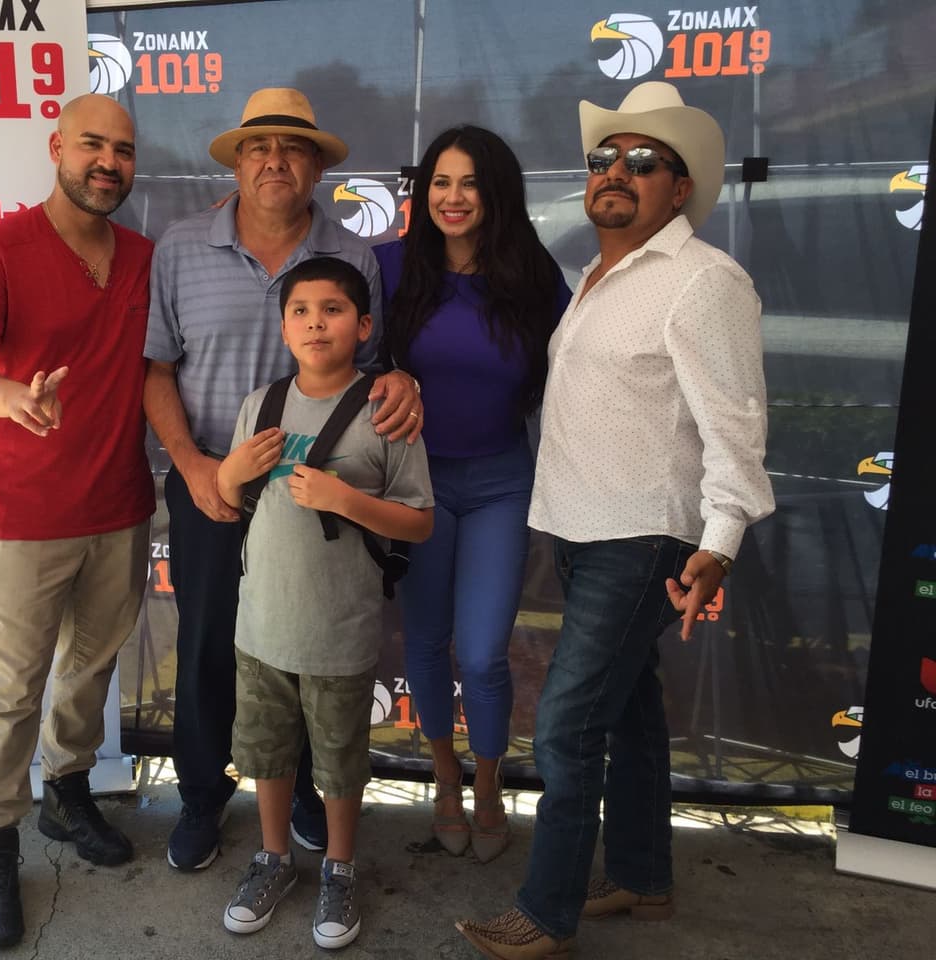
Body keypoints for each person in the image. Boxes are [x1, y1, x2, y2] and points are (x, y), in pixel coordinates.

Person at [455, 81, 775, 959]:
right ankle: (642, 876)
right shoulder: (593, 276)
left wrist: (718, 544)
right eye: (606, 158)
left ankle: (546, 912)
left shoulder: (704, 281)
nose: (617, 173)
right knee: (629, 712)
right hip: (582, 529)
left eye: (645, 162)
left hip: (644, 537)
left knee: (565, 726)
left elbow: (735, 428)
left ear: (681, 188)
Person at [144, 86, 423, 873]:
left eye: (293, 147)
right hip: (212, 483)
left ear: (317, 166)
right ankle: (202, 800)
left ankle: (303, 794)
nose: (275, 160)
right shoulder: (180, 248)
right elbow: (155, 369)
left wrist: (406, 381)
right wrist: (195, 466)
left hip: (320, 495)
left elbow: (374, 368)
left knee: (305, 652)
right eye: (258, 147)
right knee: (205, 649)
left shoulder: (353, 253)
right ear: (237, 161)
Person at [0, 94, 154, 950]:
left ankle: (67, 794)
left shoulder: (142, 256)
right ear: (57, 146)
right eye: (93, 145)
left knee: (90, 668)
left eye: (125, 151)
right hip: (21, 513)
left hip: (119, 505)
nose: (109, 162)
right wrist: (9, 399)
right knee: (12, 687)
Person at [216, 257, 434, 949]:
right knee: (267, 754)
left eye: (333, 309)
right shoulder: (261, 403)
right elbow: (227, 496)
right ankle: (272, 857)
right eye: (301, 311)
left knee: (340, 760)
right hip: (261, 627)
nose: (316, 322)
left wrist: (346, 500)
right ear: (283, 328)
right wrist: (230, 472)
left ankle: (340, 867)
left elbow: (420, 520)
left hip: (339, 630)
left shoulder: (385, 409)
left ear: (364, 325)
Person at [373, 127, 570, 863]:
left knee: (485, 652)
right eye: (441, 183)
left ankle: (489, 785)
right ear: (422, 193)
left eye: (470, 184)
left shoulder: (532, 275)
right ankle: (445, 777)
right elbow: (348, 362)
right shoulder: (389, 267)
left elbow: (576, 375)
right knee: (424, 640)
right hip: (415, 484)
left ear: (496, 194)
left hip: (499, 482)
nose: (452, 198)